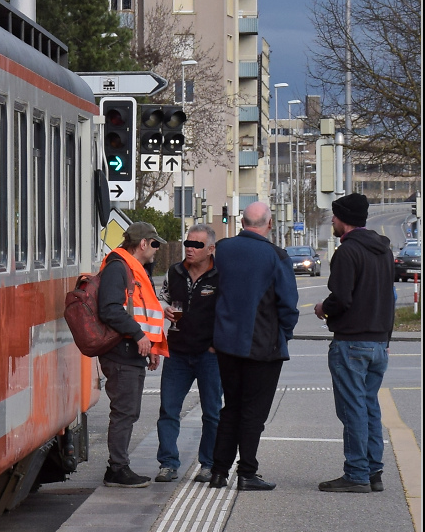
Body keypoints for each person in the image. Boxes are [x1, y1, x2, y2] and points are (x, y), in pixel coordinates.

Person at [208, 202, 299, 489]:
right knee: (254, 412)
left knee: (231, 407)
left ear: (242, 221)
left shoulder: (222, 249)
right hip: (263, 345)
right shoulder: (276, 256)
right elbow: (289, 305)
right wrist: (283, 334)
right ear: (269, 224)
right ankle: (247, 472)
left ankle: (218, 471)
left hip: (226, 344)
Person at [314, 193, 396, 493]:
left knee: (353, 410)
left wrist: (324, 308)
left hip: (351, 343)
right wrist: (386, 338)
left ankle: (357, 473)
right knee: (369, 407)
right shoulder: (383, 251)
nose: (332, 221)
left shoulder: (347, 253)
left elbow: (342, 298)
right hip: (377, 342)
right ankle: (374, 471)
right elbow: (390, 297)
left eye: (334, 216)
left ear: (344, 219)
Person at [96, 221, 169, 487]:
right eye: (155, 244)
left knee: (128, 411)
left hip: (131, 351)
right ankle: (117, 469)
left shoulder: (131, 267)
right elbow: (110, 309)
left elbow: (139, 311)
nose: (156, 250)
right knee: (124, 412)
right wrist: (139, 336)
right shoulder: (119, 268)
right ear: (143, 244)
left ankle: (118, 466)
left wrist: (149, 346)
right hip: (121, 351)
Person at [155, 225, 222, 483]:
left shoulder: (220, 274)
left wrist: (217, 344)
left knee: (212, 412)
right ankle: (168, 464)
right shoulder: (175, 271)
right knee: (169, 410)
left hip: (209, 355)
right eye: (187, 243)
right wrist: (164, 308)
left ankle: (208, 464)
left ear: (211, 249)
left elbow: (229, 312)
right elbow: (161, 297)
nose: (190, 249)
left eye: (197, 245)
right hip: (178, 353)